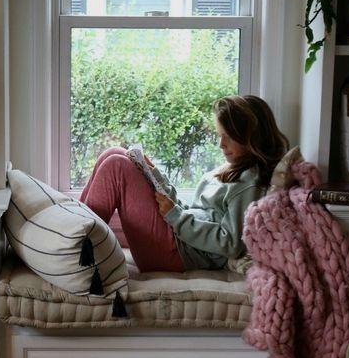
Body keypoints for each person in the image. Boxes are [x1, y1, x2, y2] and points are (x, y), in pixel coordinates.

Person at [80, 94, 289, 273]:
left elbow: (231, 243)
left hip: (178, 253)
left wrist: (176, 217)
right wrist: (155, 176)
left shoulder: (248, 184)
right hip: (177, 237)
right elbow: (193, 212)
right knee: (115, 153)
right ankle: (74, 231)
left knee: (117, 165)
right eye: (219, 135)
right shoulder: (232, 171)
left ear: (251, 137)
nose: (220, 144)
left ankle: (77, 249)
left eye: (228, 137)